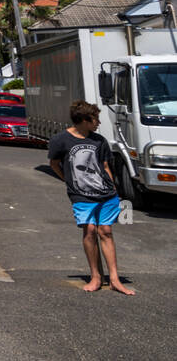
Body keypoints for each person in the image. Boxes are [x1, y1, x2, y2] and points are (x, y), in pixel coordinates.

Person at [47, 100, 135, 295]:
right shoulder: (60, 140)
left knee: (106, 231)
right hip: (80, 194)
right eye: (95, 119)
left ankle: (114, 279)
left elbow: (105, 167)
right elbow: (54, 163)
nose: (98, 123)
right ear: (84, 120)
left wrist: (115, 192)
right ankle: (96, 277)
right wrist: (68, 182)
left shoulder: (99, 141)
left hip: (106, 193)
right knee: (90, 230)